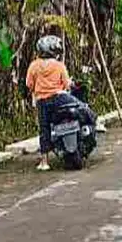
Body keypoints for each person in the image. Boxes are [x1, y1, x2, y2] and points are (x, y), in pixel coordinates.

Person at [26, 35, 96, 171]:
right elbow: (67, 84)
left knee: (44, 129)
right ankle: (94, 122)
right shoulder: (59, 65)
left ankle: (44, 162)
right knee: (82, 107)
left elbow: (29, 84)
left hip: (42, 101)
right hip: (60, 98)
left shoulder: (34, 66)